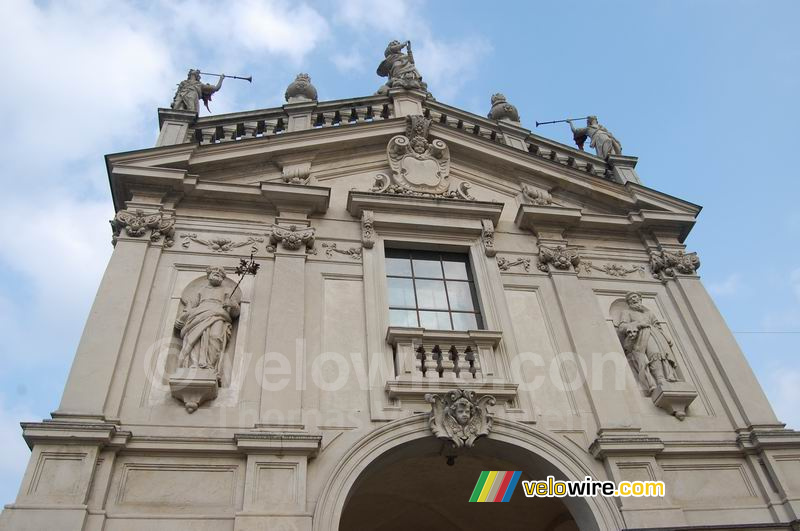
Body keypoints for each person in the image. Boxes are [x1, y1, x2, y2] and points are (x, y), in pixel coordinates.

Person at [174, 266, 240, 379]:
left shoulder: (227, 291)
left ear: (223, 278)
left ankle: (210, 366)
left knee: (215, 337)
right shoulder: (200, 290)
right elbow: (189, 308)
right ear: (209, 275)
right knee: (195, 339)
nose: (217, 274)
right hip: (199, 315)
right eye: (214, 272)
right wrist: (181, 319)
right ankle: (193, 365)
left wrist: (232, 304)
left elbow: (235, 313)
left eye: (220, 274)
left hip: (218, 315)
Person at [614, 292, 678, 394]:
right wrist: (638, 324)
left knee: (662, 355)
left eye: (635, 297)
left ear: (640, 299)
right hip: (641, 337)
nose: (633, 299)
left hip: (655, 335)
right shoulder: (626, 312)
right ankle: (659, 378)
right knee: (654, 354)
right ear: (628, 302)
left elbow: (657, 326)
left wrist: (666, 337)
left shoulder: (649, 313)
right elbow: (622, 327)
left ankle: (668, 376)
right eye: (630, 299)